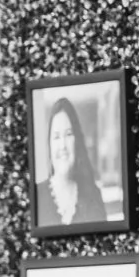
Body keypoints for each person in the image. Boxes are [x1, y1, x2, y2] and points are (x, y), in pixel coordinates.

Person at [39, 95, 113, 229]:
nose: (62, 145)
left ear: (76, 141)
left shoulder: (93, 196)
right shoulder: (36, 196)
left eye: (68, 134)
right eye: (56, 137)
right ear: (49, 145)